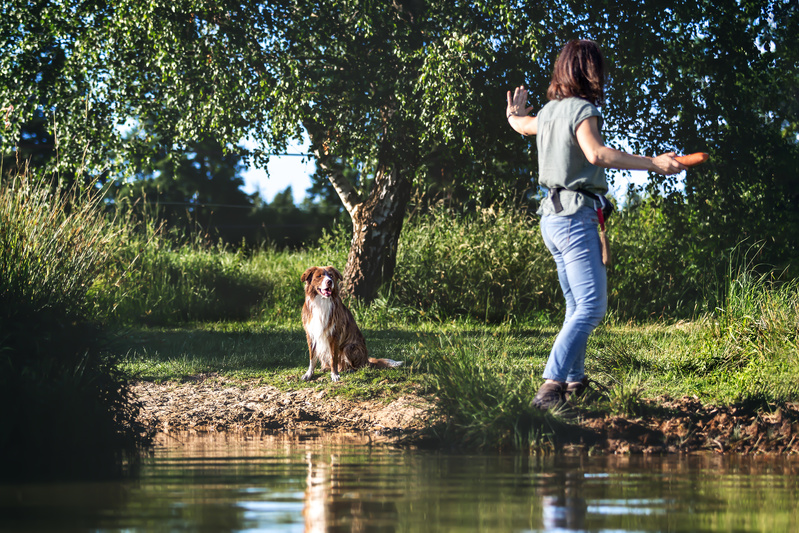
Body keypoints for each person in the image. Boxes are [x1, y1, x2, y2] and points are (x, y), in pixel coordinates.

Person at [506, 39, 684, 410]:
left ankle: (574, 386)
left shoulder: (552, 112)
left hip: (552, 220)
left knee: (576, 307)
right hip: (575, 217)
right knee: (591, 308)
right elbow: (596, 153)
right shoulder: (582, 110)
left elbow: (523, 126)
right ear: (590, 72)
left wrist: (513, 113)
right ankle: (550, 386)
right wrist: (654, 162)